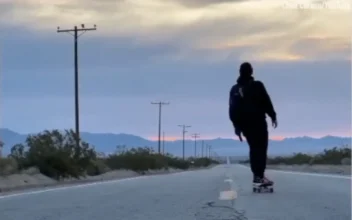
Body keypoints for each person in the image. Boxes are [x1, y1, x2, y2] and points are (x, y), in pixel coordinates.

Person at [228, 62, 278, 186]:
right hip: (258, 122)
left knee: (254, 149)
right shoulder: (257, 85)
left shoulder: (234, 89)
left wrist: (237, 127)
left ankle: (258, 175)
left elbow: (232, 110)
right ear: (251, 72)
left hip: (245, 126)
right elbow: (266, 101)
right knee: (260, 149)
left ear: (240, 72)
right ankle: (259, 176)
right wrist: (273, 116)